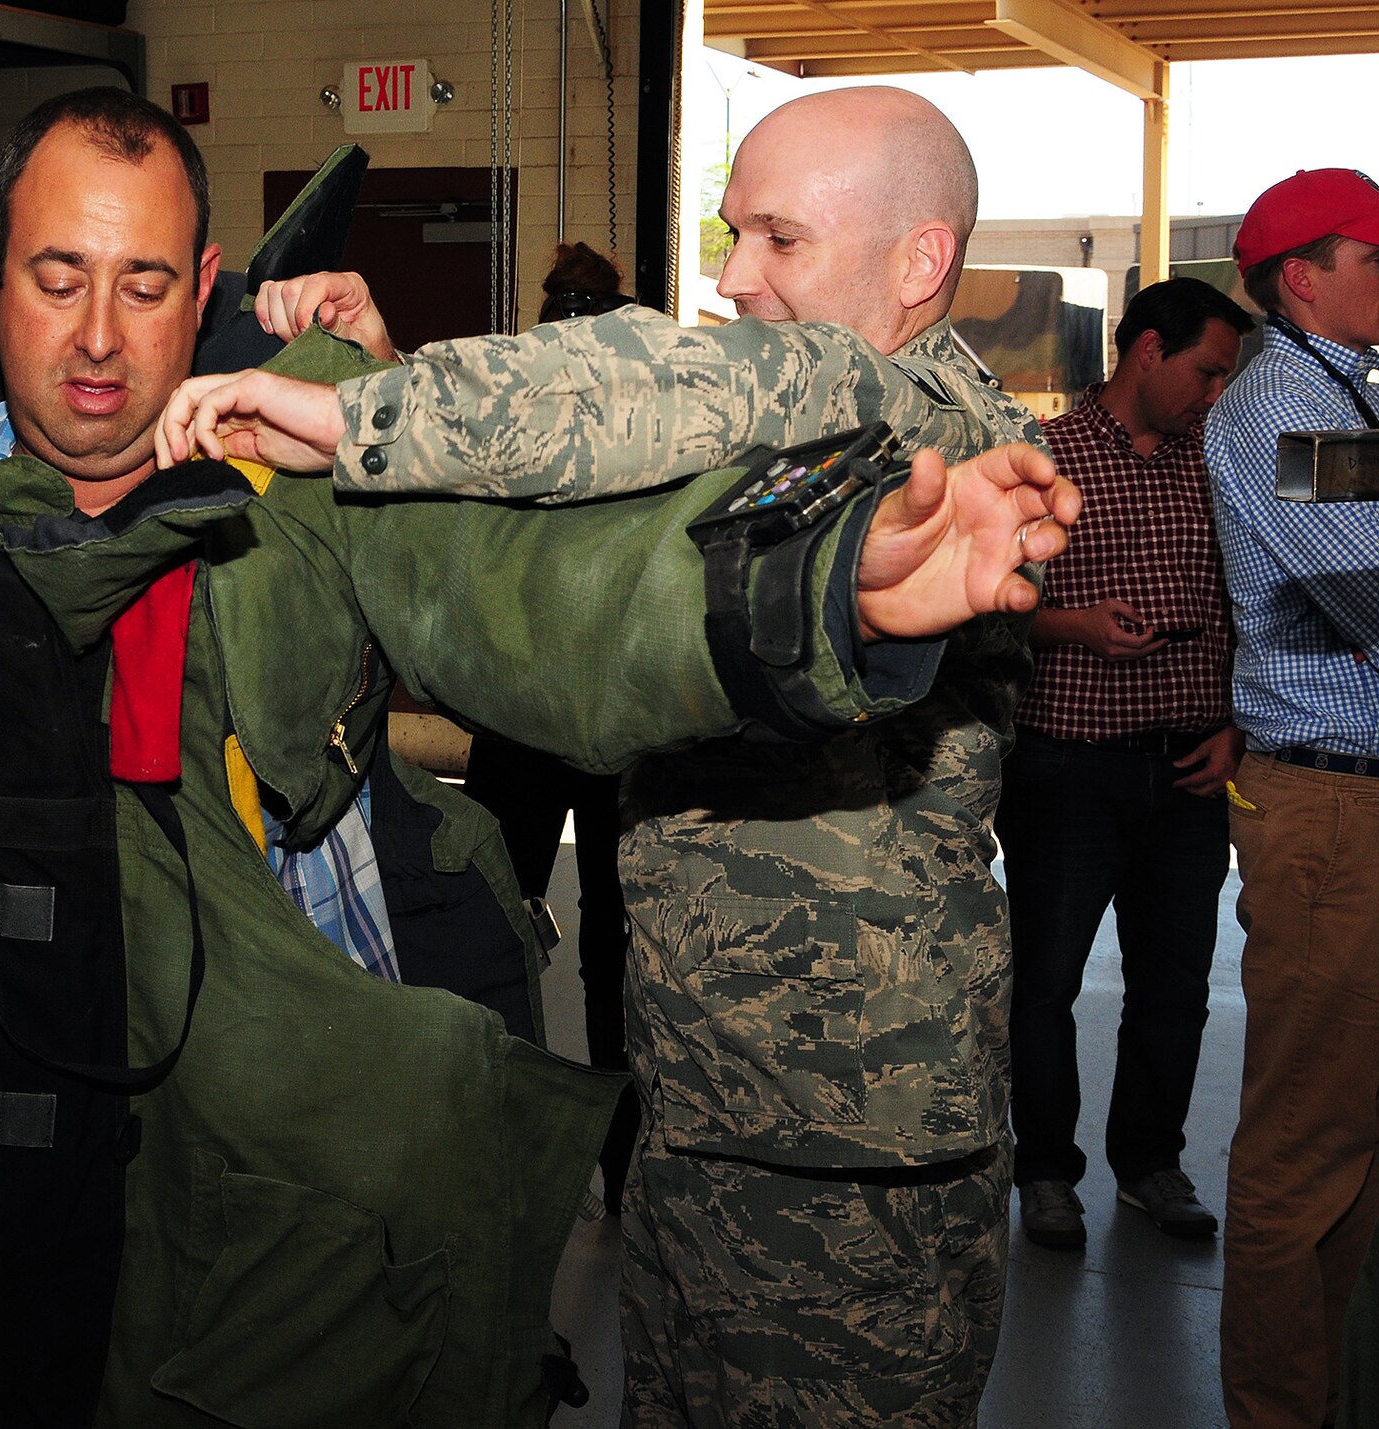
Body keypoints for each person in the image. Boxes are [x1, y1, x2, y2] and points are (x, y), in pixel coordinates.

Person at [0, 88, 1069, 1428]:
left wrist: (809, 594)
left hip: (270, 1240)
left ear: (200, 286)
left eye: (144, 285)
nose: (95, 336)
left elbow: (545, 595)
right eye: (59, 276)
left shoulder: (293, 490)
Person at [164, 84, 1058, 1427]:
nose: (737, 279)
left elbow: (672, 379)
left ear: (918, 263)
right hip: (701, 1116)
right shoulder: (803, 445)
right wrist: (379, 368)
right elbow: (583, 550)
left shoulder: (927, 423)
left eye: (781, 241)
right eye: (731, 236)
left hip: (851, 1161)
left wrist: (375, 414)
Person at [998, 277, 1252, 1251]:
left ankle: (1148, 1162)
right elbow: (985, 604)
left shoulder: (1217, 461)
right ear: (1144, 350)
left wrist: (1232, 729)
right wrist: (1074, 626)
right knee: (1046, 982)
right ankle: (1045, 1174)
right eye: (1203, 370)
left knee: (1173, 987)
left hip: (1188, 770)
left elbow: (1249, 609)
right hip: (1066, 767)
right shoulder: (1040, 458)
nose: (1212, 393)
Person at [1205, 166, 1379, 1429]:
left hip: (1350, 802)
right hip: (1329, 813)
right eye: (1372, 257)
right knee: (1303, 1144)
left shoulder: (1339, 395)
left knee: (1350, 1136)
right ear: (1302, 278)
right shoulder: (1283, 406)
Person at [462, 241, 637, 1215]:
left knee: (521, 932)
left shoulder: (516, 416)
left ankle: (521, 1148)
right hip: (567, 717)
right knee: (529, 931)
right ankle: (594, 1163)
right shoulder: (625, 422)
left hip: (549, 715)